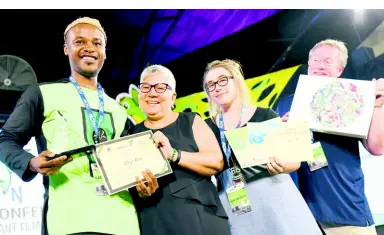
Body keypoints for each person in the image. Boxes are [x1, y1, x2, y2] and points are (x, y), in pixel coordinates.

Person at [0, 17, 142, 235]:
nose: (89, 48)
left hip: (122, 222)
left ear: (105, 51)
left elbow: (130, 166)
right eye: (79, 42)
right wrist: (30, 162)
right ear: (66, 49)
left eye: (97, 43)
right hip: (69, 221)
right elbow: (6, 140)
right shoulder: (42, 94)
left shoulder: (119, 109)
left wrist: (143, 184)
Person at [276, 39, 384, 235]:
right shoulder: (285, 104)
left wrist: (377, 107)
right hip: (301, 215)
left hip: (345, 208)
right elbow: (278, 157)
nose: (320, 66)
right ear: (309, 64)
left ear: (340, 69)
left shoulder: (354, 97)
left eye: (328, 62)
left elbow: (377, 147)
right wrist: (281, 133)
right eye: (316, 60)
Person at [203, 59, 323, 235]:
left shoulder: (264, 114)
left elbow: (294, 161)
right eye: (210, 85)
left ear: (236, 80)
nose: (217, 87)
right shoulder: (206, 127)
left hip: (275, 196)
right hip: (236, 206)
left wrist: (283, 165)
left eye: (222, 80)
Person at [129, 64, 230, 235]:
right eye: (145, 88)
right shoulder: (130, 135)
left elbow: (216, 162)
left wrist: (175, 155)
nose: (152, 93)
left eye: (161, 88)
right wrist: (142, 191)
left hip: (201, 219)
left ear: (173, 96)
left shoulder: (190, 121)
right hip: (154, 222)